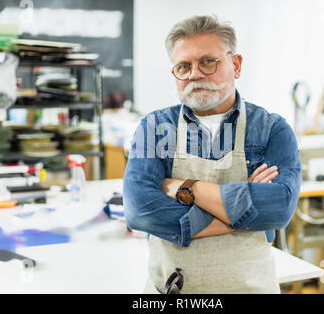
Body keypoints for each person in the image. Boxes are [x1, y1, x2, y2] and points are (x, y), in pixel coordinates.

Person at [123, 15, 301, 294]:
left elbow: (278, 210)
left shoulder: (270, 129)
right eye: (183, 66)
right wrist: (240, 214)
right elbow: (141, 212)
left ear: (236, 64)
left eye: (207, 62)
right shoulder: (155, 127)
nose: (194, 74)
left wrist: (185, 187)